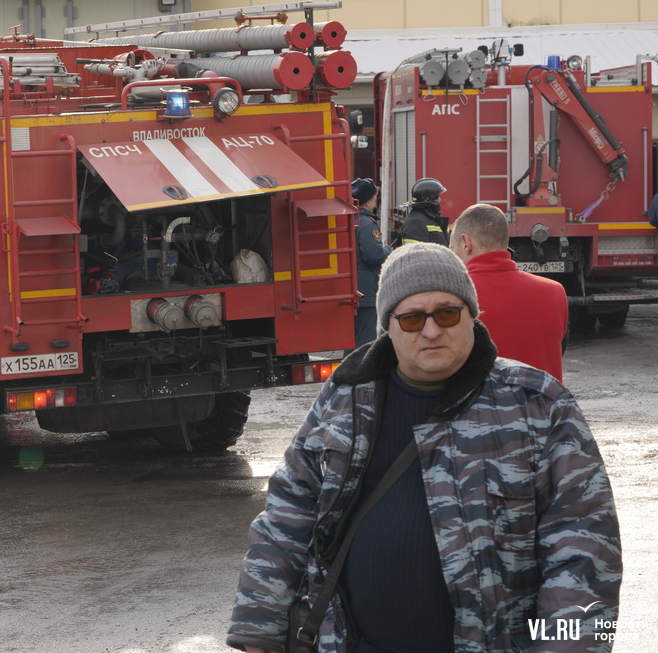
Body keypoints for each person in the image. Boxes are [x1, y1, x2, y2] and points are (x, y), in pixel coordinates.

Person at [227, 243, 620, 653]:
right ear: (389, 327)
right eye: (412, 318)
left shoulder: (538, 403)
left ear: (472, 316)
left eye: (447, 313)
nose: (431, 330)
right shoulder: (345, 398)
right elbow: (286, 516)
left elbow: (585, 552)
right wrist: (258, 633)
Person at [450, 202, 568, 380]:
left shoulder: (453, 296)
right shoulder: (555, 291)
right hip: (546, 405)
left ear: (466, 243)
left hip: (483, 406)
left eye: (453, 249)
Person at [352, 178, 390, 348]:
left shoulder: (349, 220)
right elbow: (374, 255)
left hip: (353, 289)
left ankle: (347, 373)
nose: (376, 201)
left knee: (352, 339)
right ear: (368, 202)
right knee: (365, 341)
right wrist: (389, 251)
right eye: (375, 197)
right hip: (366, 291)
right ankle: (359, 374)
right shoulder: (367, 224)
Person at [397, 177, 449, 245]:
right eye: (437, 197)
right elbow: (414, 253)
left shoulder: (430, 218)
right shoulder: (415, 223)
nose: (440, 200)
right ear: (429, 199)